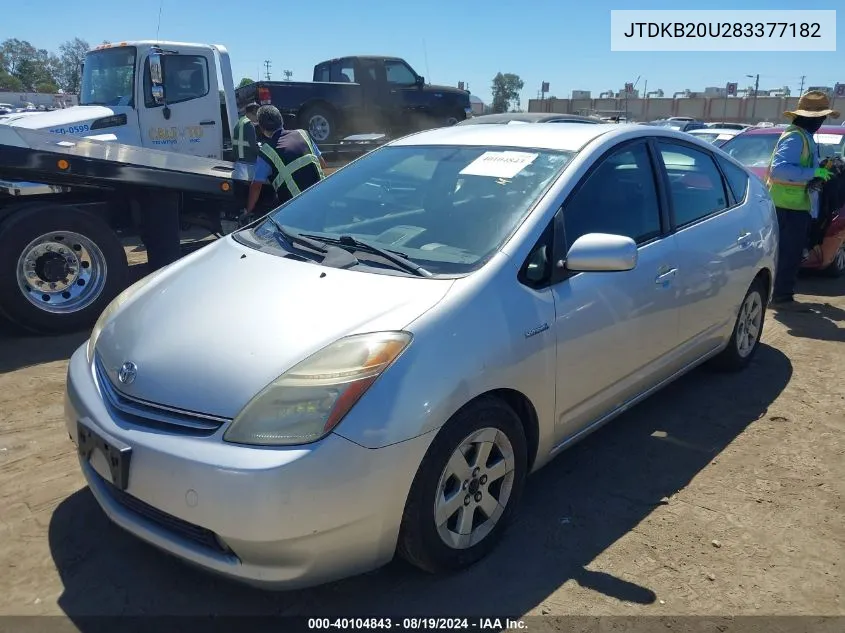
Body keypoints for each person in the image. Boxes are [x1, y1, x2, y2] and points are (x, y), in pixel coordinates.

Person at [765, 90, 839, 308]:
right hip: (787, 207)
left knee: (791, 253)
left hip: (795, 205)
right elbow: (779, 170)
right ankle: (782, 297)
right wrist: (814, 174)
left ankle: (780, 294)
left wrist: (820, 169)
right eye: (821, 117)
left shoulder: (804, 137)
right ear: (811, 117)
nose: (823, 121)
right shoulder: (796, 138)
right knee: (789, 254)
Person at [243, 105, 328, 219]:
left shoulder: (266, 152)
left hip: (297, 210)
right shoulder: (303, 134)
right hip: (323, 199)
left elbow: (256, 186)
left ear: (262, 128)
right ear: (281, 121)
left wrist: (248, 211)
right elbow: (322, 164)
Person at [232, 102, 259, 183]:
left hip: (239, 161)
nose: (258, 117)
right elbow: (253, 147)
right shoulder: (249, 125)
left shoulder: (239, 122)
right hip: (249, 163)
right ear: (254, 111)